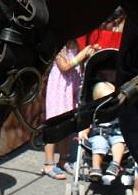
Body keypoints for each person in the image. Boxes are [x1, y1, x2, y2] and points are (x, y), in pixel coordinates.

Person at [42, 40, 100, 179]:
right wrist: (81, 55)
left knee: (66, 125)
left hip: (71, 88)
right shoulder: (59, 45)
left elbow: (80, 65)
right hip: (59, 88)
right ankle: (49, 164)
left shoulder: (75, 43)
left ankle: (63, 160)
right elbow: (64, 67)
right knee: (54, 125)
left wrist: (89, 55)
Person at [84, 81, 127, 182]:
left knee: (119, 141)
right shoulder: (94, 111)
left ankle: (115, 164)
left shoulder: (118, 109)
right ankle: (96, 168)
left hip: (115, 133)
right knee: (99, 144)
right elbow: (87, 123)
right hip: (99, 134)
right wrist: (84, 132)